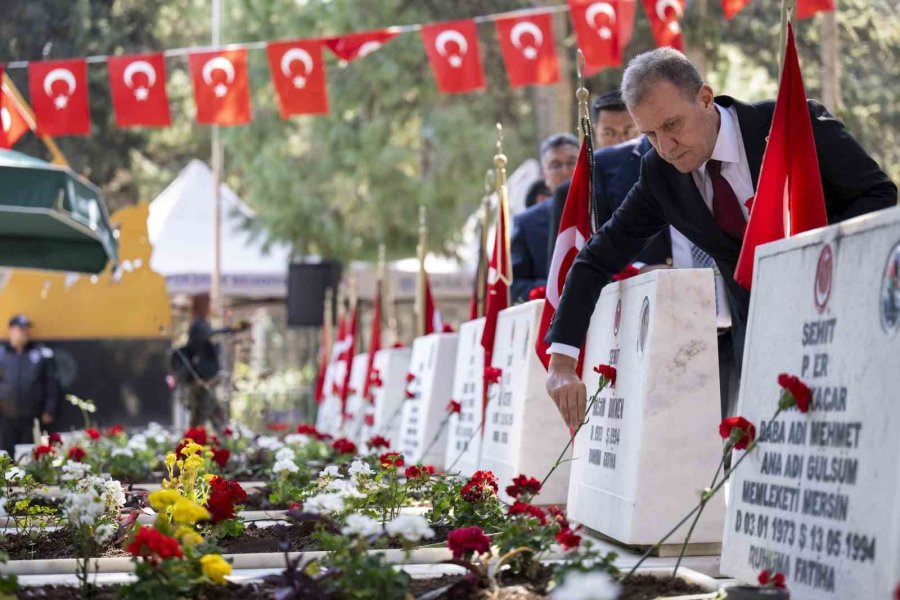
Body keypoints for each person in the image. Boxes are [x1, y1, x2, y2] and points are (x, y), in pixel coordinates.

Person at [546, 48, 897, 429]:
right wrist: (562, 361)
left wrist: (809, 254)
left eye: (672, 125)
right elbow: (596, 258)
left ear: (705, 98)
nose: (665, 146)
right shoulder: (660, 174)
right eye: (649, 134)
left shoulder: (790, 124)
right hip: (760, 348)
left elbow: (879, 196)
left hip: (837, 318)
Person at [548, 90, 649, 257]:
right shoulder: (574, 191)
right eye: (609, 133)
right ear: (595, 132)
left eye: (628, 131)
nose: (619, 141)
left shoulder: (657, 173)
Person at [511, 133, 579, 302]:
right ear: (544, 175)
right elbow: (516, 285)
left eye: (572, 162)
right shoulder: (526, 223)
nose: (565, 171)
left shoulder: (607, 209)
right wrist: (557, 287)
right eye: (555, 165)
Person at [171, 294, 247, 429]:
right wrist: (232, 329)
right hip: (203, 379)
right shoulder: (199, 325)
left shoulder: (201, 323)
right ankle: (194, 444)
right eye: (210, 303)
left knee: (214, 414)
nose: (212, 306)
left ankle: (224, 441)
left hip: (207, 378)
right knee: (201, 415)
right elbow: (210, 334)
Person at [0, 315, 61, 456]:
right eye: (21, 328)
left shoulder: (39, 353)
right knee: (5, 456)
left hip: (33, 416)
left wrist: (49, 410)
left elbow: (51, 383)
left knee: (30, 455)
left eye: (27, 328)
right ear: (11, 330)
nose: (25, 332)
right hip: (6, 417)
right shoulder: (2, 354)